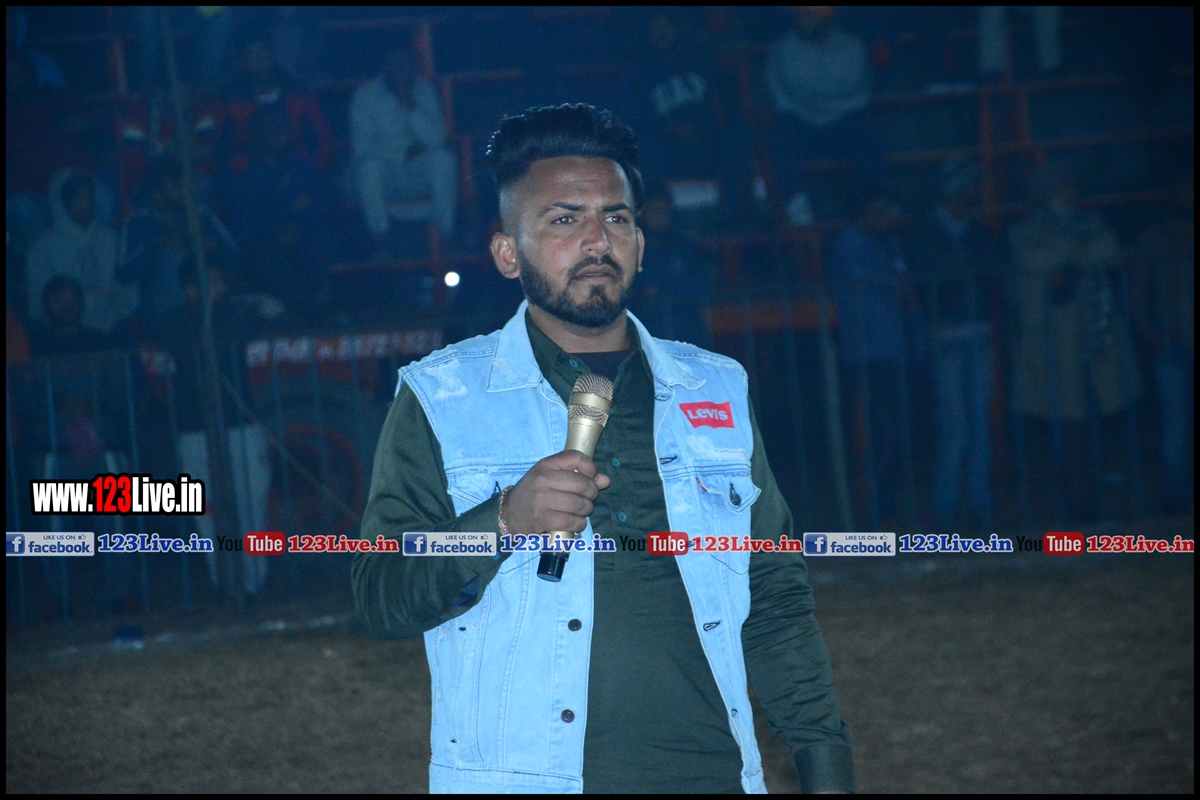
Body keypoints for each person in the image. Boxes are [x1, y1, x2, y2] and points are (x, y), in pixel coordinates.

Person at [353, 104, 853, 794]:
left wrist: (827, 771)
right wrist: (501, 523)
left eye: (616, 218)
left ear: (641, 244)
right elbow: (380, 593)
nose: (597, 240)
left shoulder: (715, 386)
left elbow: (774, 600)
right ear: (507, 253)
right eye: (564, 220)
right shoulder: (442, 397)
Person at [1009, 163, 1141, 523]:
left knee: (1100, 424)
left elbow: (1109, 248)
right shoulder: (1027, 231)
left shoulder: (1093, 224)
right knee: (1068, 428)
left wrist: (1067, 256)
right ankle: (1077, 507)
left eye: (1071, 186)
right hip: (1054, 344)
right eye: (1061, 187)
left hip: (1096, 342)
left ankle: (1095, 503)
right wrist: (1077, 252)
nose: (1069, 192)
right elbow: (1035, 258)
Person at [906, 160, 1002, 531]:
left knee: (975, 425)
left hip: (974, 332)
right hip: (948, 335)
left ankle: (977, 504)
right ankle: (947, 508)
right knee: (957, 427)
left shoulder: (975, 233)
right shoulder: (928, 235)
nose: (973, 193)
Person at [827, 184, 919, 528]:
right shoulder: (850, 247)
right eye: (879, 211)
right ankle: (874, 512)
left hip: (891, 350)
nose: (887, 218)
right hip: (868, 354)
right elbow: (886, 286)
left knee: (892, 432)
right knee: (880, 433)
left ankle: (886, 506)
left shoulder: (888, 245)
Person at [767, 6, 875, 221]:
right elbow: (784, 99)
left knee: (865, 127)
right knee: (781, 130)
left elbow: (859, 94)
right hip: (803, 127)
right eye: (799, 15)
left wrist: (817, 101)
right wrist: (829, 101)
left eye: (809, 15)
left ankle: (876, 199)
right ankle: (796, 201)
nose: (804, 20)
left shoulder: (852, 46)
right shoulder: (782, 51)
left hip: (842, 126)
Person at [349, 46, 457, 252]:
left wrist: (409, 106)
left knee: (443, 160)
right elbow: (362, 149)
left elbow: (437, 139)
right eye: (396, 62)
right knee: (367, 168)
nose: (401, 68)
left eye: (406, 62)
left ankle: (447, 236)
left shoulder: (425, 92)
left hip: (416, 172)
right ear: (386, 66)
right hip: (385, 174)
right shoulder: (365, 97)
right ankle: (381, 238)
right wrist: (400, 152)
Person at [117, 156, 239, 336]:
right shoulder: (138, 222)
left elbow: (234, 258)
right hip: (162, 313)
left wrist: (210, 247)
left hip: (209, 310)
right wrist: (158, 246)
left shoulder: (203, 217)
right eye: (174, 186)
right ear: (157, 191)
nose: (182, 191)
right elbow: (123, 273)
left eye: (184, 185)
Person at [1132, 170, 1193, 514]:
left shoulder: (1155, 238)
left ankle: (1178, 492)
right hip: (1172, 342)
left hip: (1172, 340)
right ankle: (1178, 492)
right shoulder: (1156, 239)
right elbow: (1139, 290)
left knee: (1176, 423)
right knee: (1176, 424)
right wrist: (1148, 330)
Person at [26, 170, 138, 335]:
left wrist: (118, 313)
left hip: (110, 325)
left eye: (90, 197)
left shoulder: (109, 238)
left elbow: (123, 285)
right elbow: (38, 296)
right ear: (65, 203)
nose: (87, 204)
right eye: (80, 198)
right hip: (63, 330)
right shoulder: (44, 245)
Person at [629, 190, 714, 348]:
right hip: (649, 330)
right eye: (656, 211)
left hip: (685, 327)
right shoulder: (632, 248)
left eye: (666, 210)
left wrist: (665, 290)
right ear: (644, 213)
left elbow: (700, 283)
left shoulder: (683, 246)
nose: (662, 216)